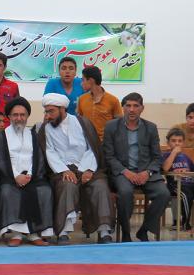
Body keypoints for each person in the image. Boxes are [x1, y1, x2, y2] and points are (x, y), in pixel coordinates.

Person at [39, 93, 115, 245]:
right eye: (46, 111)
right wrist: (63, 170)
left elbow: (92, 148)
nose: (48, 116)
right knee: (67, 186)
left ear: (62, 109)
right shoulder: (46, 128)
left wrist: (88, 170)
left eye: (51, 111)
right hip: (62, 170)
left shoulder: (82, 123)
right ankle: (64, 232)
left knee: (100, 186)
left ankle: (104, 232)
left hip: (87, 167)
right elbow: (49, 152)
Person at [103, 92, 170, 242]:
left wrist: (148, 172)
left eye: (136, 106)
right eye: (128, 106)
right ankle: (126, 234)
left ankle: (144, 230)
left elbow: (157, 157)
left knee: (163, 194)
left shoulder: (150, 128)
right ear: (123, 108)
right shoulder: (111, 127)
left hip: (146, 173)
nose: (131, 109)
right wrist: (125, 172)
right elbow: (108, 156)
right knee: (125, 193)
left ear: (142, 108)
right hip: (122, 173)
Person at [0, 97, 53, 247]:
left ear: (27, 116)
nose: (19, 118)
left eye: (22, 115)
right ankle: (16, 234)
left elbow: (38, 158)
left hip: (32, 176)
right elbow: (0, 160)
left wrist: (30, 175)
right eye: (15, 115)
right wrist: (15, 176)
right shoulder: (2, 136)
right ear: (9, 117)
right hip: (9, 176)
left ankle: (34, 234)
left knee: (44, 190)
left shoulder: (33, 135)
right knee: (8, 191)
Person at [77, 66, 122, 142]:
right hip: (87, 142)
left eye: (83, 80)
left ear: (91, 80)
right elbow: (80, 121)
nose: (81, 84)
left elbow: (120, 123)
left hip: (106, 143)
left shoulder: (113, 100)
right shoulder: (81, 99)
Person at [162, 128, 194, 230]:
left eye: (180, 141)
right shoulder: (166, 155)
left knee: (189, 191)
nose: (177, 143)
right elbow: (165, 168)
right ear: (168, 143)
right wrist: (173, 153)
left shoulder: (186, 157)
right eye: (173, 141)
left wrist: (186, 172)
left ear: (183, 143)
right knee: (186, 195)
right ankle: (185, 223)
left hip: (189, 183)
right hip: (175, 185)